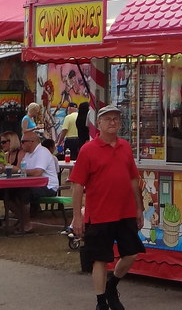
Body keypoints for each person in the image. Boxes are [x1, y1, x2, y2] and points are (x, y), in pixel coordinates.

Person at [70, 104, 145, 310]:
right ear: (99, 124)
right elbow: (77, 185)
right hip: (100, 213)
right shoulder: (88, 150)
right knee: (100, 259)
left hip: (125, 211)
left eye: (116, 119)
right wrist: (77, 216)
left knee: (130, 254)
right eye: (108, 119)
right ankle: (101, 300)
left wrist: (138, 208)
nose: (112, 122)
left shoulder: (125, 147)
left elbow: (133, 179)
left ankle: (113, 285)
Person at [6, 130, 59, 234]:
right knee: (8, 194)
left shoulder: (42, 152)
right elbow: (23, 171)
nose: (21, 144)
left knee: (23, 193)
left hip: (48, 186)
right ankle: (24, 221)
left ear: (31, 142)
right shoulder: (27, 154)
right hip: (32, 185)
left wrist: (18, 170)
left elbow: (37, 172)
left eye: (23, 142)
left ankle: (26, 224)